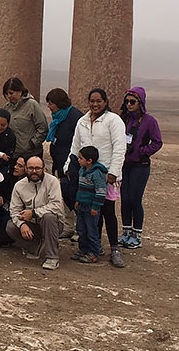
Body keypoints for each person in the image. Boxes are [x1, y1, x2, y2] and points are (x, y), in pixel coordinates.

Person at [64, 88, 127, 268]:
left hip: (106, 175)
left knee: (107, 211)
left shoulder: (113, 120)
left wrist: (113, 171)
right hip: (86, 175)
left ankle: (114, 248)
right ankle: (94, 247)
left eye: (99, 101)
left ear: (105, 102)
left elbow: (119, 147)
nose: (95, 104)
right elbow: (75, 146)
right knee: (92, 213)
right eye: (92, 101)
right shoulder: (82, 121)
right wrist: (69, 165)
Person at [118, 87, 162, 250]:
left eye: (132, 102)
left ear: (140, 103)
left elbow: (157, 142)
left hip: (140, 165)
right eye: (127, 101)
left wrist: (142, 151)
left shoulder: (149, 121)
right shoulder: (123, 119)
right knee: (124, 199)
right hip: (124, 164)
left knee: (135, 199)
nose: (129, 105)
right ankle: (126, 232)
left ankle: (137, 235)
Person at [6, 156, 64, 271]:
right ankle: (34, 247)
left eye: (37, 168)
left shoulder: (52, 181)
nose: (34, 171)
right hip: (31, 223)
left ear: (44, 169)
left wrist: (34, 213)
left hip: (53, 224)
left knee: (49, 217)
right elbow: (14, 211)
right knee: (11, 226)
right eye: (31, 168)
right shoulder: (19, 186)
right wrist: (22, 225)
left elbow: (56, 205)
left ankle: (52, 257)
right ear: (26, 169)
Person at [44, 88, 84, 238]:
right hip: (59, 163)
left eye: (51, 103)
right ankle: (68, 226)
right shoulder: (58, 117)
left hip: (71, 165)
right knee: (65, 197)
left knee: (73, 196)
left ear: (59, 103)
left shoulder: (75, 117)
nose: (49, 106)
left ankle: (81, 229)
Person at [71, 146, 107, 265]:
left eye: (81, 158)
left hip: (91, 207)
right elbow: (80, 188)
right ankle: (83, 250)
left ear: (89, 160)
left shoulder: (96, 174)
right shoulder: (82, 170)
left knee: (91, 230)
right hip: (82, 205)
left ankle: (94, 252)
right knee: (81, 229)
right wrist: (77, 200)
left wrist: (96, 207)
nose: (78, 160)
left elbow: (101, 192)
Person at [3, 77, 50, 163]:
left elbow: (43, 128)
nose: (9, 96)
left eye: (11, 93)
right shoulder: (7, 108)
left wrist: (32, 144)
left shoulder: (32, 105)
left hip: (31, 154)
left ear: (20, 91)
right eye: (7, 93)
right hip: (14, 154)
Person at [0, 156, 25, 247]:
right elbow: (0, 190)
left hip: (17, 214)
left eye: (20, 166)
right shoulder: (9, 178)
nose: (15, 167)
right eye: (16, 164)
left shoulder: (29, 185)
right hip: (4, 207)